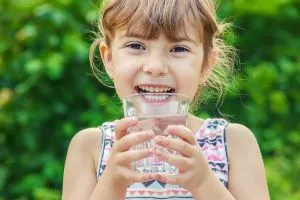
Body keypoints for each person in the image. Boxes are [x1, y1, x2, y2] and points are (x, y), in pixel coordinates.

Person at [62, 0, 270, 199]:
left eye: (179, 49)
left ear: (206, 64)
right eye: (135, 45)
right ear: (109, 59)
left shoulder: (232, 142)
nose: (155, 67)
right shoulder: (90, 147)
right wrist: (113, 183)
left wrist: (203, 182)